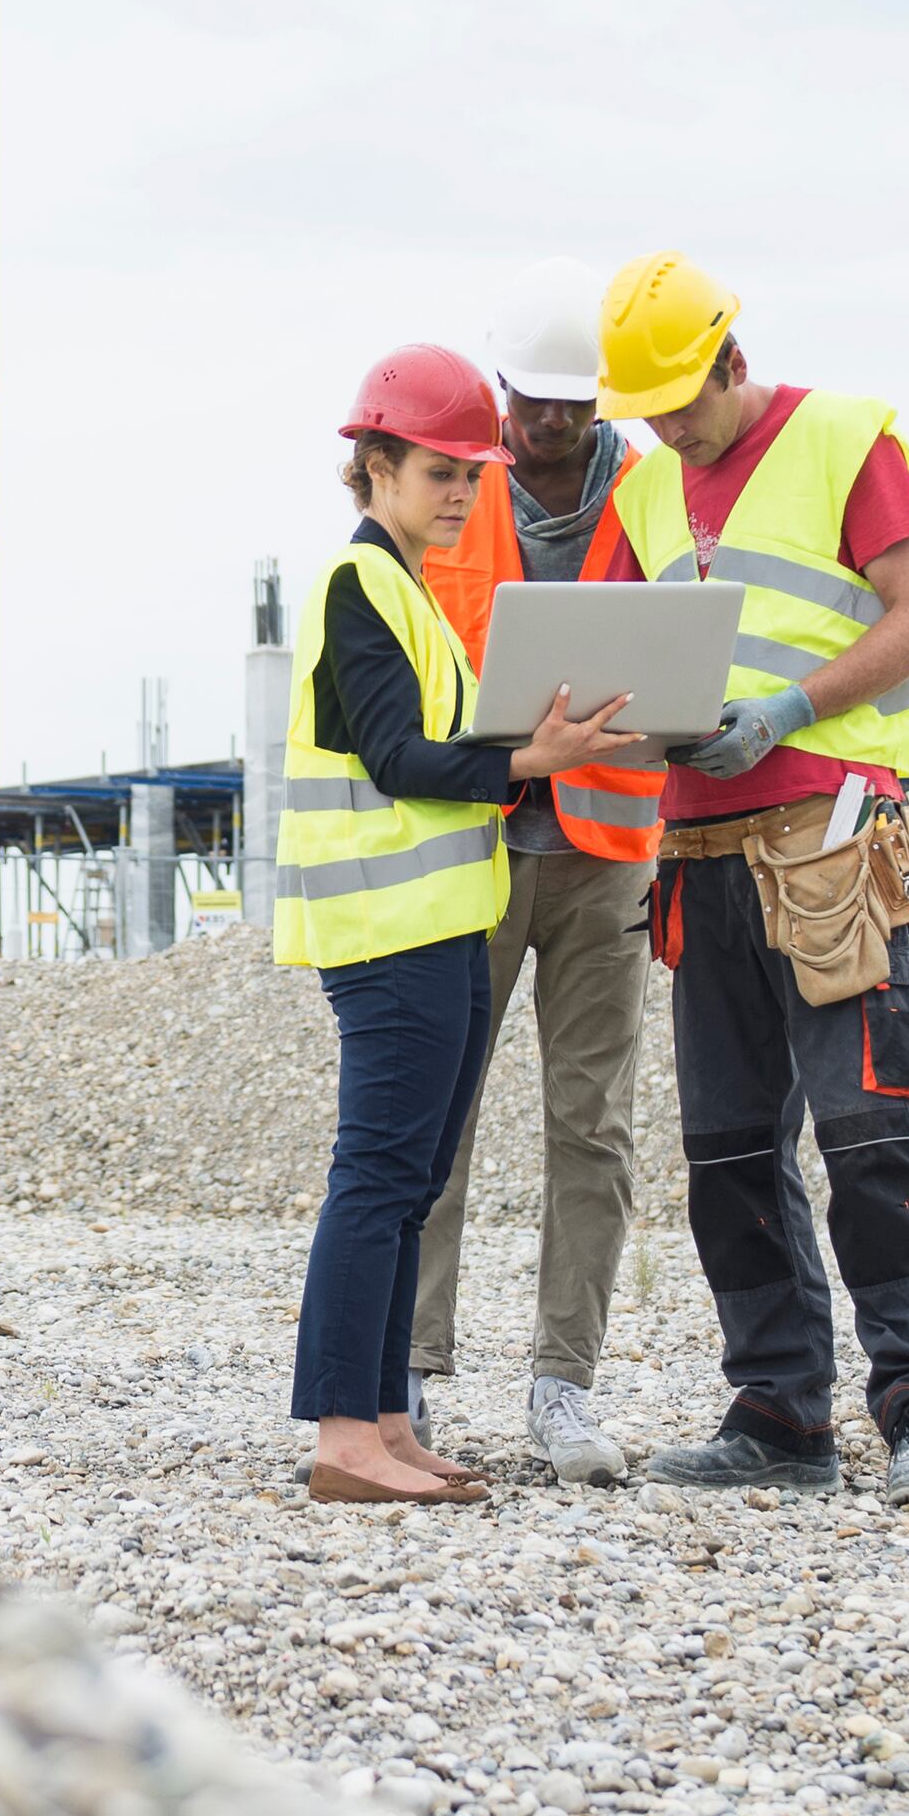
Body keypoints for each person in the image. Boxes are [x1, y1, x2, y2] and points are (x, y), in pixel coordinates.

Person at [595, 253, 909, 1509]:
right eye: (643, 409)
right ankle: (777, 1410)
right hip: (697, 851)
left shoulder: (841, 439)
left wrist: (784, 710)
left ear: (730, 358)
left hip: (826, 836)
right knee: (725, 1151)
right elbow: (602, 649)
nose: (664, 427)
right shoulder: (645, 492)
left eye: (678, 401)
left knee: (867, 1127)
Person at [276, 342, 636, 1507]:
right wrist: (532, 758)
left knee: (412, 1167)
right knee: (377, 1176)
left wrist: (532, 754)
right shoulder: (359, 587)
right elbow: (398, 757)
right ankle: (344, 1436)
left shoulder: (410, 592)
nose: (459, 493)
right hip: (388, 933)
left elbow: (433, 750)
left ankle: (387, 1415)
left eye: (468, 476)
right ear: (373, 464)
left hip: (438, 924)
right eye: (439, 469)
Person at [395, 269, 684, 1487]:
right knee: (436, 1115)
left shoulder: (650, 485)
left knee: (592, 1128)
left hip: (608, 850)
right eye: (531, 403)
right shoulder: (465, 487)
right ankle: (403, 1368)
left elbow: (688, 618)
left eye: (568, 407)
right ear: (503, 387)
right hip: (482, 841)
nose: (546, 426)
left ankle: (561, 1385)